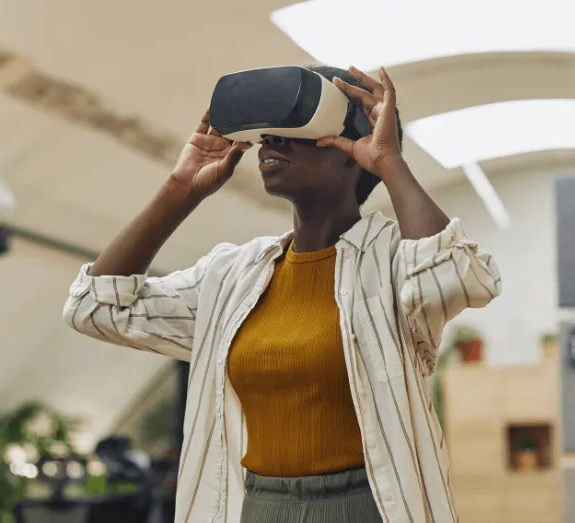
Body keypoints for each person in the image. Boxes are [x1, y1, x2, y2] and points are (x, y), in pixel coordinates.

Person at [64, 64, 501, 523]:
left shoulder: (391, 261)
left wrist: (390, 162)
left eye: (296, 128)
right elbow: (94, 307)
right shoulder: (234, 277)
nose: (270, 141)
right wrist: (180, 190)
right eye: (268, 133)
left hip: (365, 506)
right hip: (260, 506)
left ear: (354, 151)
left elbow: (456, 276)